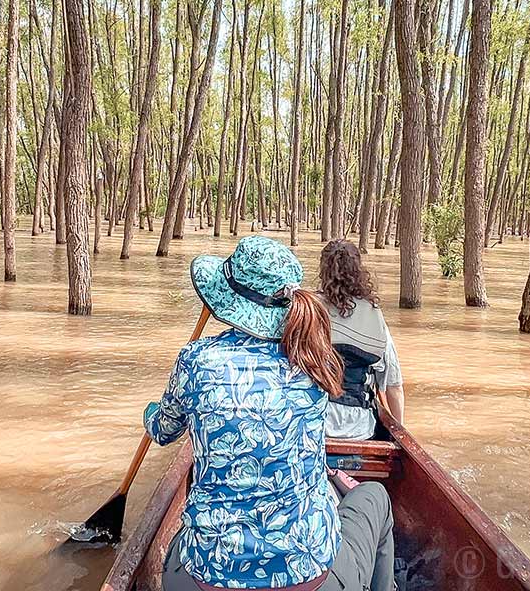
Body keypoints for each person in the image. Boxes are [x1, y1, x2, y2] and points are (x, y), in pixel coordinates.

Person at [144, 235, 395, 591]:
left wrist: (151, 413)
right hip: (311, 576)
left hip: (208, 579)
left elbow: (163, 431)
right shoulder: (316, 363)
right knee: (376, 498)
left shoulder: (196, 360)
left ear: (227, 301)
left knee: (177, 550)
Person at [317, 240, 405, 441]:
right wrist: (399, 434)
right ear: (359, 271)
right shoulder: (375, 316)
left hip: (315, 423)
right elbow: (394, 386)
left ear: (323, 272)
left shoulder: (310, 310)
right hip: (359, 428)